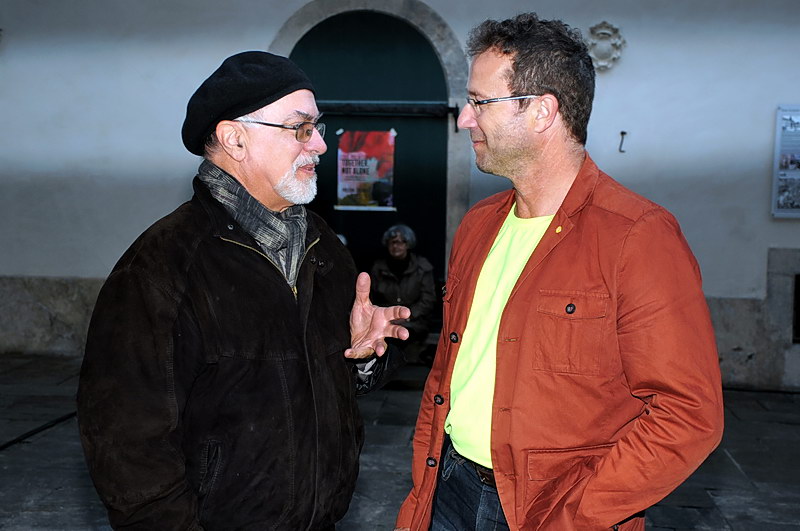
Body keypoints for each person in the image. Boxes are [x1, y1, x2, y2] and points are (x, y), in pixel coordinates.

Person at [395, 13, 724, 531]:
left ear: (542, 111)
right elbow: (452, 370)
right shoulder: (478, 225)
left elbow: (687, 414)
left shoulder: (638, 236)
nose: (464, 120)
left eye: (480, 102)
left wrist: (576, 515)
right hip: (448, 486)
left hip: (551, 508)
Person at [77, 51, 410, 530]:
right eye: (300, 128)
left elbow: (322, 393)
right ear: (235, 139)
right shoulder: (162, 266)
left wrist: (363, 360)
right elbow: (128, 448)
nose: (320, 144)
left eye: (317, 127)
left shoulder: (324, 247)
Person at [370, 224, 437, 364]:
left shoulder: (422, 267)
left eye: (401, 242)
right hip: (386, 319)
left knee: (401, 337)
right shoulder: (378, 268)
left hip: (414, 322)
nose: (396, 246)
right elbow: (372, 298)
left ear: (408, 244)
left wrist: (407, 317)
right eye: (392, 242)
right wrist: (387, 316)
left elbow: (428, 299)